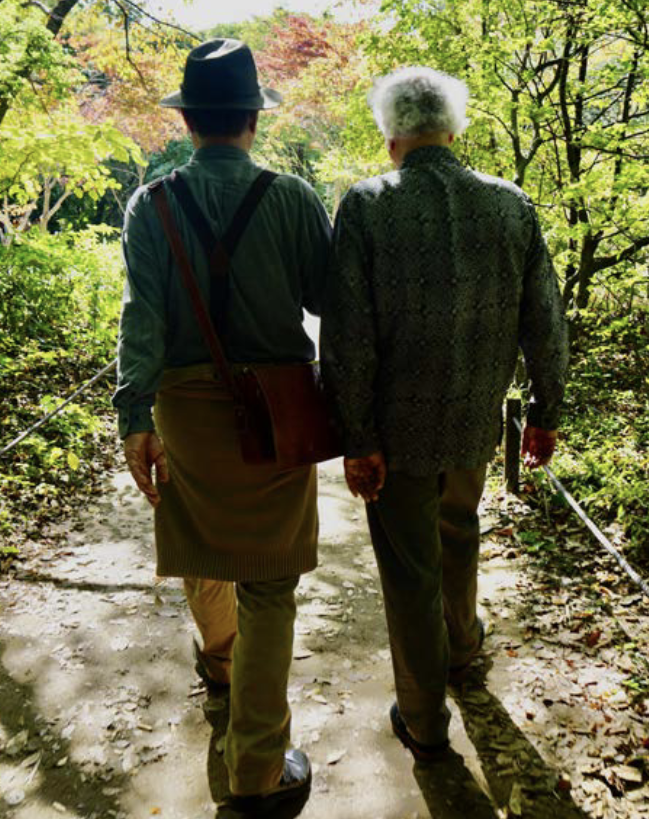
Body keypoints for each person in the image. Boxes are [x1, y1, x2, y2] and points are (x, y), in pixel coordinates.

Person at [321, 67, 569, 762]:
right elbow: (544, 319)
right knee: (459, 529)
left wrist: (356, 435)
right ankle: (462, 648)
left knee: (408, 566)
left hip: (394, 430)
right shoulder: (509, 203)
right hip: (473, 420)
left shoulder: (368, 204)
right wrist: (548, 410)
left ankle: (425, 716)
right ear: (453, 129)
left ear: (390, 133)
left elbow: (347, 334)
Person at [112, 39, 331, 815]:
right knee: (270, 584)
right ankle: (257, 769)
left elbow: (141, 316)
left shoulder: (152, 204)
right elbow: (327, 301)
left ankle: (219, 665)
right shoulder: (296, 198)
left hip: (185, 407)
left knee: (205, 551)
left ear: (192, 119)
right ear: (251, 119)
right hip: (274, 410)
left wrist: (133, 415)